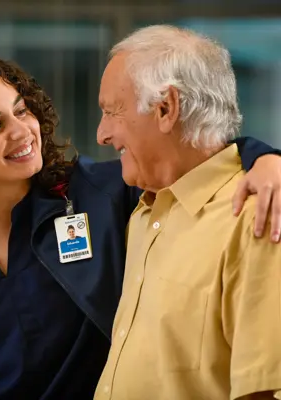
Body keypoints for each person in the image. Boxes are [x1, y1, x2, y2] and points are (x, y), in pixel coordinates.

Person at [0, 54, 280, 400]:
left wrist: (267, 157)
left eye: (22, 111)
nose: (22, 131)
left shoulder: (100, 193)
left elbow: (194, 155)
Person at [95, 25, 281, 399]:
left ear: (166, 108)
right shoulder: (143, 212)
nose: (102, 134)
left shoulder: (258, 215)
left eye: (113, 112)